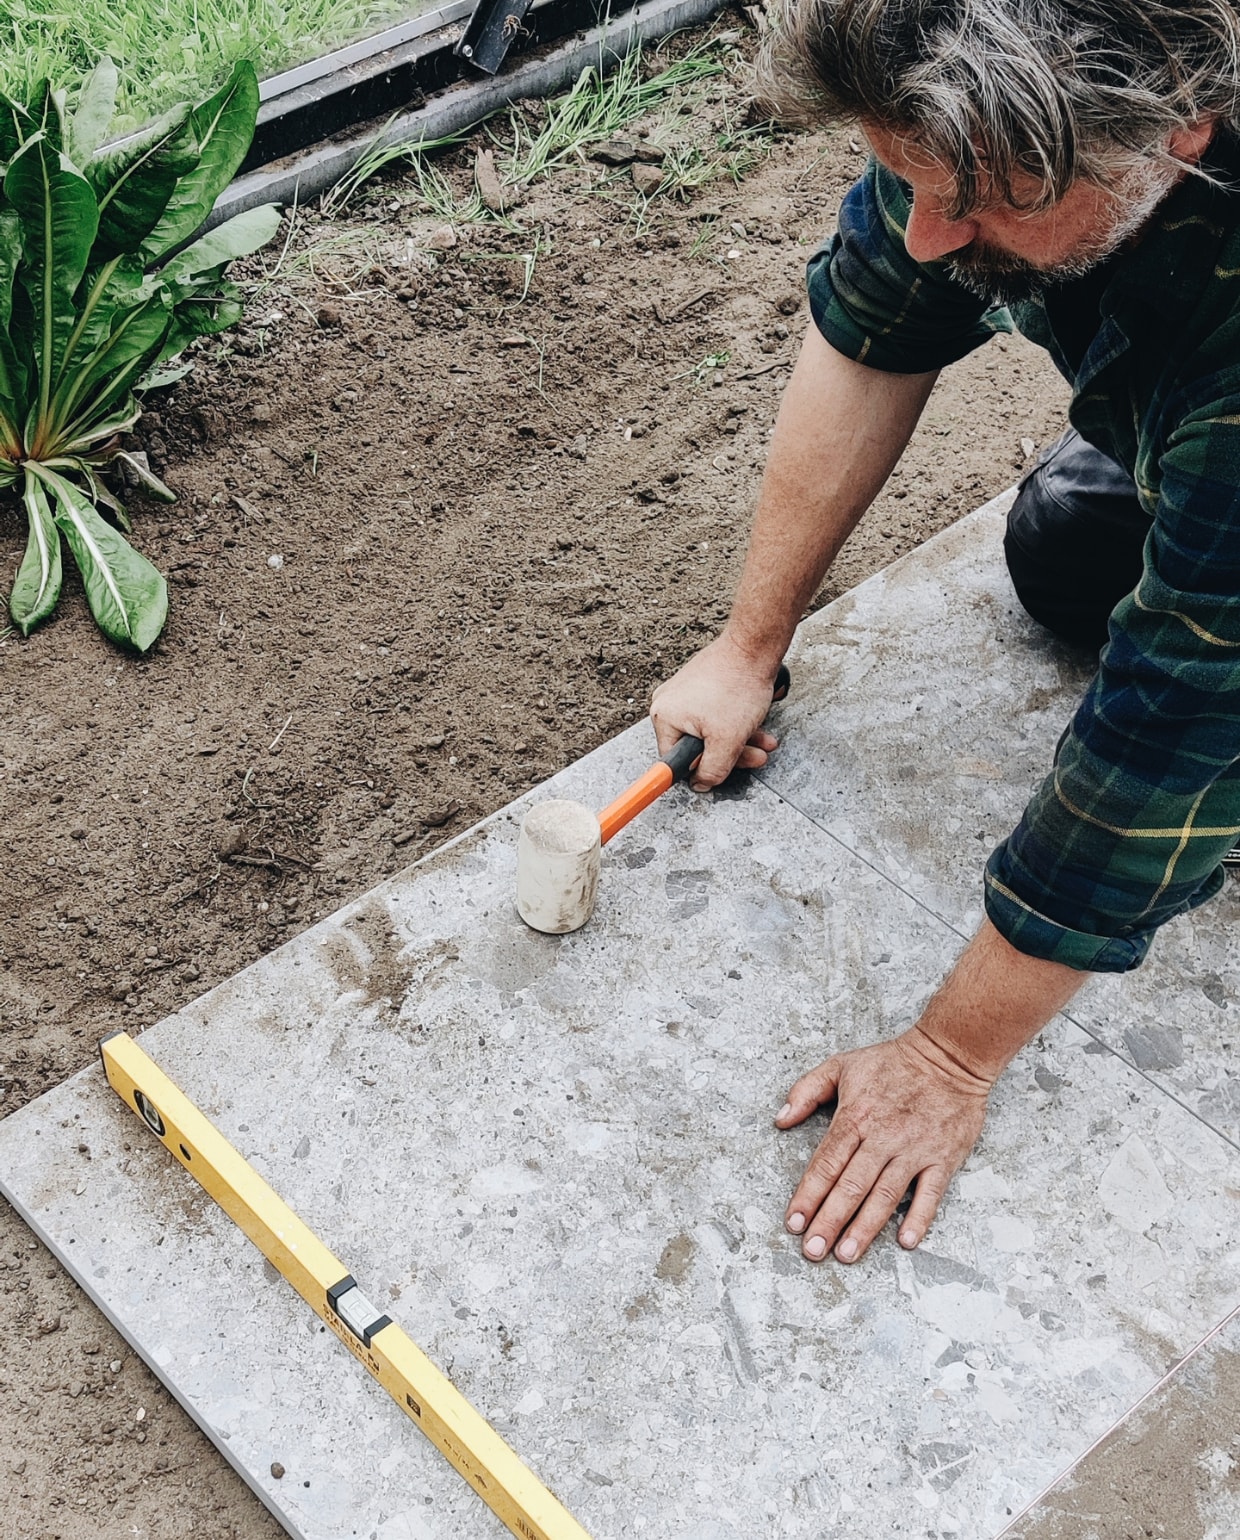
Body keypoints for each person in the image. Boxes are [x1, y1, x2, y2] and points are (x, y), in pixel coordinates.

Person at [650, 0, 1240, 1265]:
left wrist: (948, 1055)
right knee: (1063, 554)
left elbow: (1165, 732)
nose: (925, 233)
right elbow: (874, 326)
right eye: (906, 177)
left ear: (1180, 127)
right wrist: (749, 644)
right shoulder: (994, 123)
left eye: (980, 200)